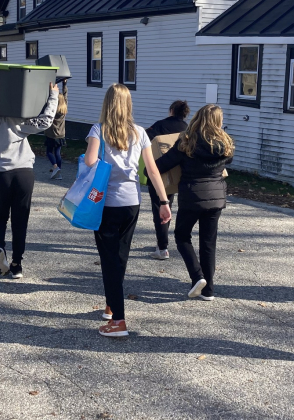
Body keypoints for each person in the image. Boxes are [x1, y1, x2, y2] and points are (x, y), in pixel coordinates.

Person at [84, 83, 172, 338]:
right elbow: (152, 170)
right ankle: (112, 304)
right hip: (132, 202)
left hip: (106, 202)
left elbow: (90, 162)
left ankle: (118, 321)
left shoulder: (98, 130)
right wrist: (164, 202)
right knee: (120, 256)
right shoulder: (139, 132)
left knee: (109, 259)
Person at [0, 84, 58, 279]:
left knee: (0, 215)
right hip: (23, 173)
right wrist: (53, 96)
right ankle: (17, 265)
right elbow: (45, 121)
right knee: (20, 220)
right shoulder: (12, 120)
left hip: (0, 175)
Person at [154, 104, 233, 301]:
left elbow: (160, 166)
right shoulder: (225, 144)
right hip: (216, 198)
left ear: (198, 118)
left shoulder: (187, 142)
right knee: (208, 242)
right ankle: (209, 290)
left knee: (182, 236)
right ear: (218, 122)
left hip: (192, 197)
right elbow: (228, 161)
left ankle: (197, 276)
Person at [145, 100, 190, 260]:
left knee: (160, 208)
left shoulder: (160, 125)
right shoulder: (187, 129)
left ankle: (162, 247)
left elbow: (143, 138)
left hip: (161, 171)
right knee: (171, 206)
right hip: (180, 173)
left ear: (171, 110)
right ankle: (168, 241)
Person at [44, 79, 68, 179]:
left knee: (49, 151)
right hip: (61, 134)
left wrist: (50, 90)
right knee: (57, 153)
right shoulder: (64, 108)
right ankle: (59, 173)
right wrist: (64, 83)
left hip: (51, 134)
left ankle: (55, 166)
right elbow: (65, 95)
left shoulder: (52, 110)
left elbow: (49, 101)